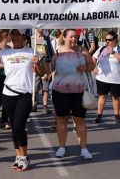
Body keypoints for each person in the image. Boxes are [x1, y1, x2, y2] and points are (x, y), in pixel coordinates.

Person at [0, 29, 44, 172]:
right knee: (14, 126)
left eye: (18, 34)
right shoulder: (5, 52)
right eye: (13, 34)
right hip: (8, 94)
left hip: (25, 94)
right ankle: (18, 156)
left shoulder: (32, 51)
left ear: (24, 36)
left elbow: (43, 72)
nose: (15, 37)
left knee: (18, 126)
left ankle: (24, 157)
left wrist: (39, 63)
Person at [50, 29, 95, 160]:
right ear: (64, 37)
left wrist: (86, 68)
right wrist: (44, 63)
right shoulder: (57, 52)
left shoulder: (82, 50)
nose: (74, 39)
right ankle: (62, 147)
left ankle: (84, 149)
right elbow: (49, 69)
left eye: (75, 37)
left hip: (79, 91)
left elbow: (92, 65)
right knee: (61, 120)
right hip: (60, 91)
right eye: (71, 37)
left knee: (79, 120)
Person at [92, 30, 120, 124]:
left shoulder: (118, 49)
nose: (107, 41)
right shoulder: (102, 48)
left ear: (115, 40)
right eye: (106, 39)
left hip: (116, 79)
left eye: (110, 39)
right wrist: (94, 67)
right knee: (102, 96)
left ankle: (116, 115)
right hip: (102, 78)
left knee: (115, 97)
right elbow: (94, 57)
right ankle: (99, 115)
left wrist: (113, 53)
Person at [32, 28, 53, 113]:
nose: (42, 28)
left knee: (45, 87)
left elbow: (51, 53)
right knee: (35, 87)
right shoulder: (32, 38)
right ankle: (34, 103)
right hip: (35, 66)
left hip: (45, 65)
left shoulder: (48, 38)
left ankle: (45, 106)